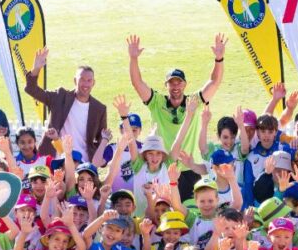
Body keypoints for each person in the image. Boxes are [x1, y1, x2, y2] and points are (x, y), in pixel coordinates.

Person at [127, 33, 227, 198]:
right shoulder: (156, 102)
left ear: (185, 84)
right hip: (165, 168)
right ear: (166, 85)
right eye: (171, 83)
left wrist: (219, 59)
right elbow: (137, 83)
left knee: (192, 208)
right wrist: (133, 58)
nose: (175, 86)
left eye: (179, 82)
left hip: (191, 168)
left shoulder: (193, 102)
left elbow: (214, 82)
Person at [25, 48, 107, 160]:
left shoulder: (99, 109)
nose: (85, 84)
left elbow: (101, 139)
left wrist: (96, 159)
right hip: (56, 159)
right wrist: (36, 68)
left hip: (83, 163)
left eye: (89, 80)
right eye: (82, 79)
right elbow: (32, 89)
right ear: (75, 81)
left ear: (93, 83)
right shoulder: (60, 97)